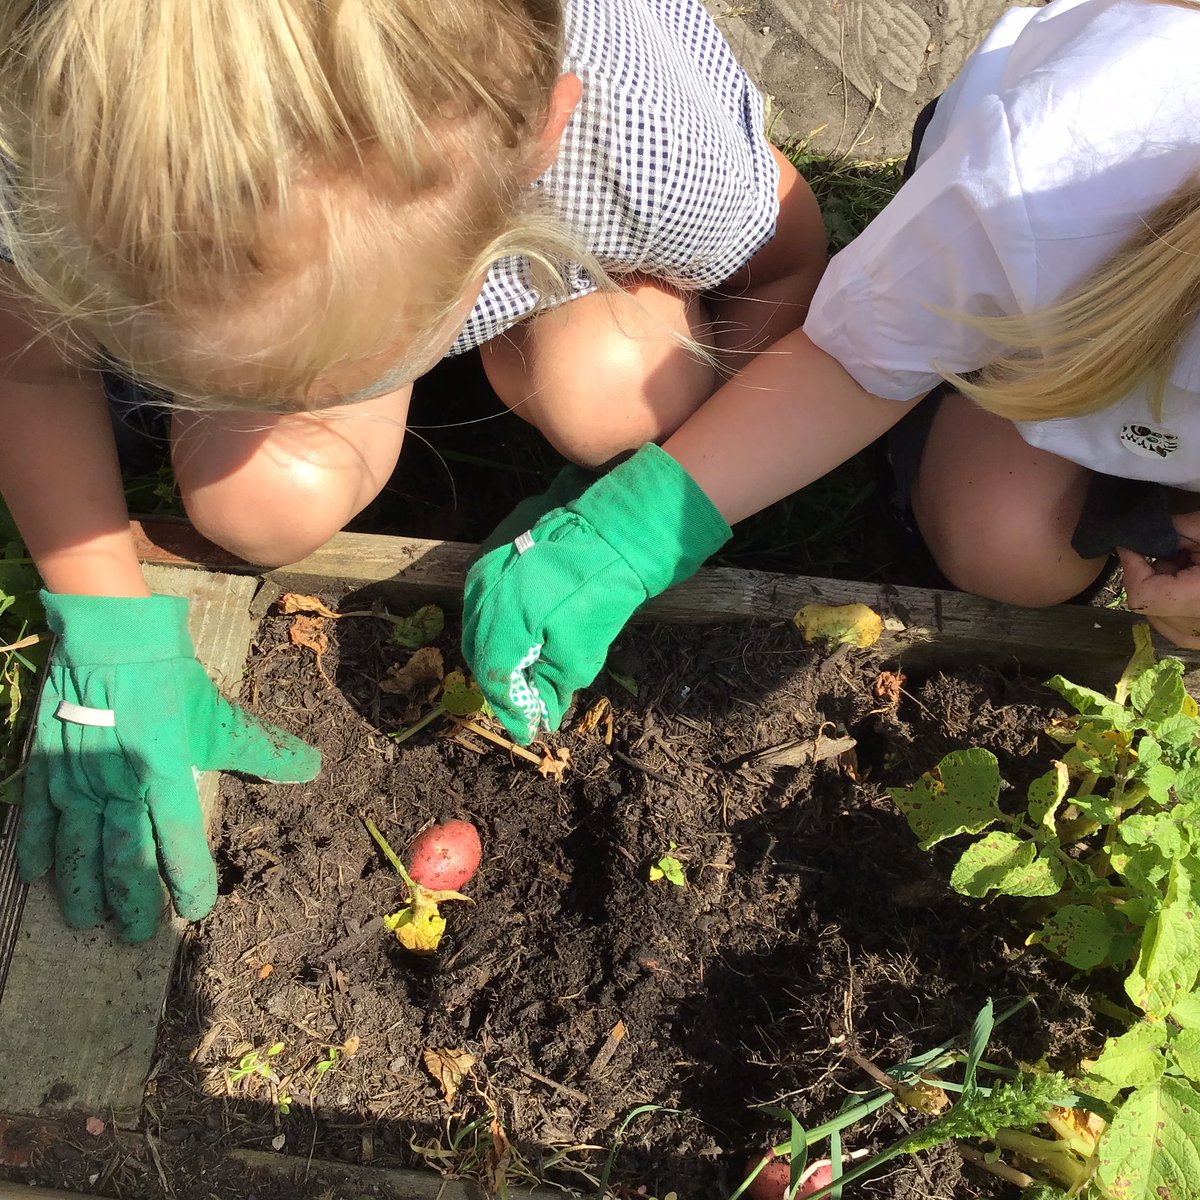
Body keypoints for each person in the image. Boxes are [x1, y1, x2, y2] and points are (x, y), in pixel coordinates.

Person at [0, 0, 826, 940]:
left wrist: (650, 502)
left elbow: (790, 270)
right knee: (257, 501)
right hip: (431, 236)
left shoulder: (648, 152)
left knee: (625, 394)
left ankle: (523, 364)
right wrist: (106, 619)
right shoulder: (68, 145)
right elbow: (28, 362)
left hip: (577, 255)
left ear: (541, 139)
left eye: (333, 371)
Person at [465, 0, 1200, 746]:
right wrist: (626, 536)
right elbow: (859, 364)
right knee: (1011, 545)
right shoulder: (1064, 177)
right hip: (1011, 300)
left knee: (1022, 553)